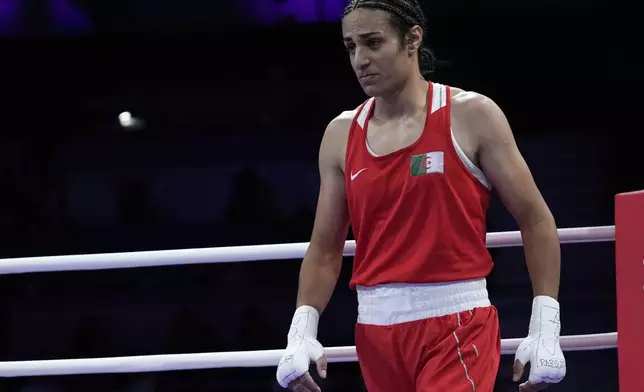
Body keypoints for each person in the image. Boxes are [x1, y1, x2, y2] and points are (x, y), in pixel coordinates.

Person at [275, 1, 567, 391]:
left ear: (412, 39)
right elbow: (326, 247)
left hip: (457, 325)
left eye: (373, 42)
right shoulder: (340, 135)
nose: (360, 59)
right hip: (376, 332)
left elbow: (536, 220)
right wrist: (301, 331)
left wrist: (545, 326)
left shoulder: (471, 115)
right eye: (350, 47)